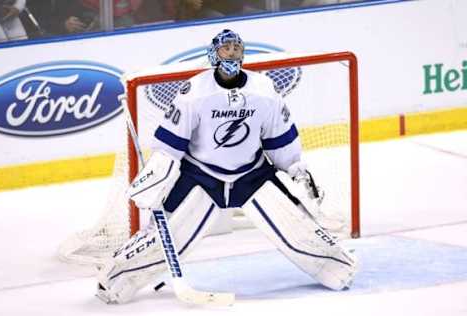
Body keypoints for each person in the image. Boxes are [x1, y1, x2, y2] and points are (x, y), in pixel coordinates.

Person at [96, 29, 358, 304]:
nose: (232, 53)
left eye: (236, 48)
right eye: (226, 49)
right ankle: (113, 279)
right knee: (163, 238)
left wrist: (294, 166)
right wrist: (156, 177)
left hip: (252, 174)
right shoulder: (194, 92)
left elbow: (278, 136)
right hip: (201, 175)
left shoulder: (263, 90)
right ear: (214, 54)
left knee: (299, 226)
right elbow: (170, 145)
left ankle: (338, 268)